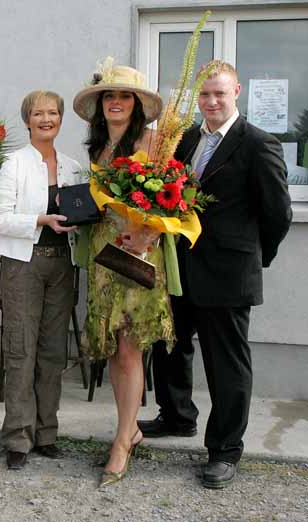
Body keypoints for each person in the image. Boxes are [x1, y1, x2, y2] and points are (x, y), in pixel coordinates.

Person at [138, 61, 293, 489]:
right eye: (205, 95)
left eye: (219, 94)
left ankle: (224, 450)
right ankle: (177, 417)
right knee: (170, 347)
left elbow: (278, 213)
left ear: (237, 92)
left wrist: (254, 258)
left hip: (229, 272)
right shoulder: (186, 140)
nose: (211, 102)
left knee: (226, 365)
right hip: (179, 268)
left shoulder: (258, 143)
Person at [72, 62, 174, 487]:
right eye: (109, 96)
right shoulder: (95, 149)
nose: (115, 102)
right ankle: (128, 426)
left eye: (124, 96)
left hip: (139, 252)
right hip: (102, 255)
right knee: (114, 348)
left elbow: (172, 200)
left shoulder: (153, 143)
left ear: (136, 105)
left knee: (131, 349)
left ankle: (121, 441)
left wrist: (144, 233)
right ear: (100, 105)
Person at [0, 90, 85, 471]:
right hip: (22, 266)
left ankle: (46, 434)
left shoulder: (75, 167)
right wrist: (41, 221)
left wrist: (81, 223)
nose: (46, 119)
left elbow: (84, 214)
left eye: (53, 113)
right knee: (20, 349)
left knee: (52, 352)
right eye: (38, 113)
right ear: (27, 120)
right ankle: (17, 437)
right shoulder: (14, 164)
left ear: (61, 119)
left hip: (62, 264)